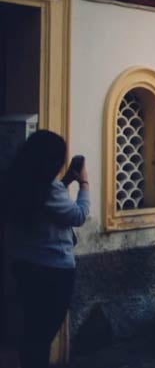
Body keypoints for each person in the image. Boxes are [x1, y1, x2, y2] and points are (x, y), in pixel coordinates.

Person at [2, 130, 89, 368]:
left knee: (31, 332)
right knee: (42, 336)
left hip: (24, 267)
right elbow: (78, 215)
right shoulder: (50, 190)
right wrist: (83, 183)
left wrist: (66, 182)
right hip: (53, 272)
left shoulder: (17, 184)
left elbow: (45, 205)